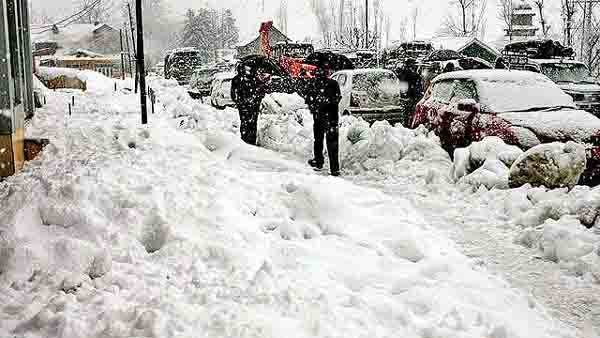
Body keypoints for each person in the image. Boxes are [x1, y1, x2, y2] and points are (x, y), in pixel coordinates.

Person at [303, 65, 342, 176]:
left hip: (319, 117)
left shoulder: (313, 84)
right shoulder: (333, 84)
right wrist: (329, 102)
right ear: (326, 73)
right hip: (332, 117)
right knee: (333, 142)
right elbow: (338, 98)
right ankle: (334, 168)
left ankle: (319, 162)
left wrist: (316, 108)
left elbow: (308, 100)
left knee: (318, 140)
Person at [231, 64, 266, 145]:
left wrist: (239, 101)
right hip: (250, 105)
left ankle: (247, 139)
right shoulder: (252, 79)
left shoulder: (242, 79)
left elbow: (233, 94)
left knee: (247, 123)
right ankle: (249, 140)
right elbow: (233, 94)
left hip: (249, 105)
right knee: (250, 123)